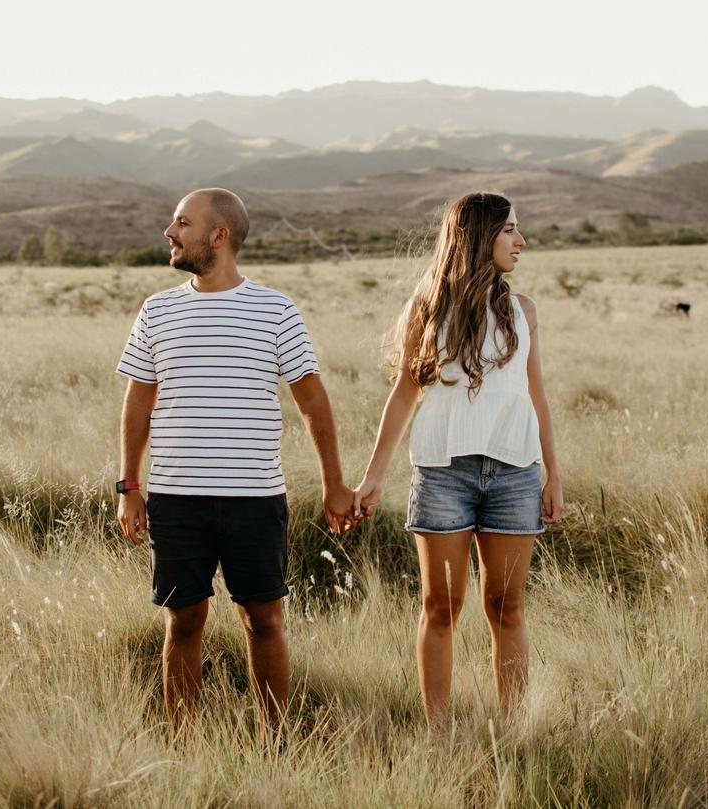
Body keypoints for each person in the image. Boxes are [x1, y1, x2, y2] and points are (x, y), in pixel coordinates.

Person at [114, 187, 356, 735]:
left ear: (218, 236)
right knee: (183, 623)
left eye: (182, 223)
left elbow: (311, 398)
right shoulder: (158, 310)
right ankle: (184, 740)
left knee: (265, 622)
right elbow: (138, 400)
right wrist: (130, 484)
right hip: (176, 499)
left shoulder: (276, 309)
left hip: (254, 498)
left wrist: (334, 484)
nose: (169, 233)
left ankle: (274, 741)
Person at [354, 192, 563, 728]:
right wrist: (374, 476)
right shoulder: (426, 307)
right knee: (441, 608)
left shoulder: (523, 311)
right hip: (444, 474)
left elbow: (535, 395)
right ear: (478, 237)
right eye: (510, 230)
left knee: (506, 607)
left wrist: (553, 474)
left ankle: (516, 730)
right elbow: (405, 393)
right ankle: (438, 733)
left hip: (515, 473)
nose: (522, 241)